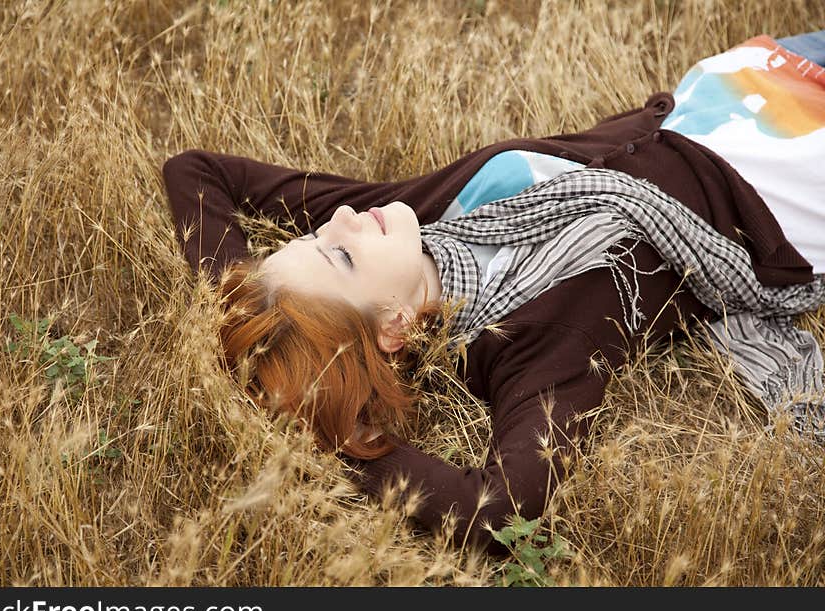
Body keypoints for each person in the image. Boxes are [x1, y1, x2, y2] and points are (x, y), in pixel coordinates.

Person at [162, 31, 825, 552]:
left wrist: (249, 314)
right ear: (393, 327)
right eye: (337, 255)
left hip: (739, 88)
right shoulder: (537, 343)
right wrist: (323, 432)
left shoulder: (411, 219)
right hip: (793, 179)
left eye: (314, 236)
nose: (337, 220)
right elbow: (499, 512)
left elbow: (195, 172)